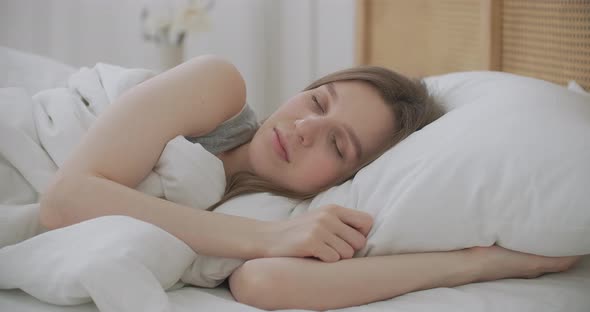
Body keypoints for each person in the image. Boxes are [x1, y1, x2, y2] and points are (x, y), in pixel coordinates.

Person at [39, 55, 580, 311]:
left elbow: (265, 285)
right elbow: (64, 200)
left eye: (337, 145)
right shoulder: (217, 90)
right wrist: (266, 241)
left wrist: (481, 263)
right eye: (318, 102)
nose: (304, 129)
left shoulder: (285, 211)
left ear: (351, 178)